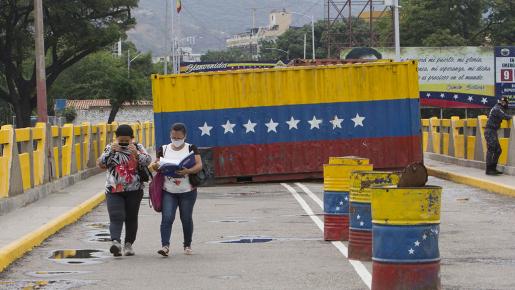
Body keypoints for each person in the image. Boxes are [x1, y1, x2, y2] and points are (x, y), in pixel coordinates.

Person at [97, 124, 152, 256]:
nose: (123, 143)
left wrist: (136, 154)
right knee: (116, 216)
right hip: (114, 188)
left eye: (126, 141)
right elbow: (101, 163)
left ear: (132, 139)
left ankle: (128, 245)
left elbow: (148, 161)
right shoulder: (110, 147)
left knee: (131, 218)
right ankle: (115, 242)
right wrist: (111, 151)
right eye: (121, 140)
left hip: (135, 189)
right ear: (116, 138)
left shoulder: (138, 147)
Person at [151, 123, 203, 257]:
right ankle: (165, 246)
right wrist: (157, 166)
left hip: (187, 190)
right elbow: (156, 164)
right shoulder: (164, 149)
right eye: (173, 137)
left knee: (186, 218)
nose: (176, 140)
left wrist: (188, 170)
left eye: (179, 138)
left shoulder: (191, 148)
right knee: (167, 217)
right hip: (169, 190)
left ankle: (187, 244)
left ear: (184, 136)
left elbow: (199, 165)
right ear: (170, 135)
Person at [485, 97, 512, 175]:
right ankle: (489, 169)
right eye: (506, 103)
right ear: (503, 103)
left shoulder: (496, 108)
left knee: (498, 150)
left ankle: (493, 168)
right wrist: (512, 117)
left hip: (492, 131)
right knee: (492, 149)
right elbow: (505, 116)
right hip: (490, 131)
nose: (506, 105)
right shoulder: (497, 108)